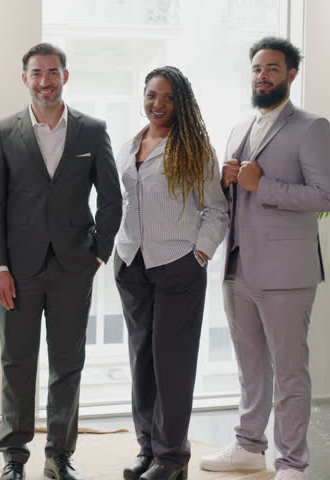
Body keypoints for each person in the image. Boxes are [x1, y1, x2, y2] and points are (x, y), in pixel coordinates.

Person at [199, 37, 330, 480]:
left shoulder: (313, 127)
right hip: (238, 268)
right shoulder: (240, 128)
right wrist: (225, 183)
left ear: (291, 74)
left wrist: (264, 185)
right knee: (250, 366)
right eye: (258, 68)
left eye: (273, 68)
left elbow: (324, 196)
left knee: (290, 372)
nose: (263, 75)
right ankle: (248, 447)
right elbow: (234, 199)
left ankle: (293, 462)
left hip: (286, 273)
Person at [0, 42, 122, 480]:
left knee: (68, 362)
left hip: (71, 268)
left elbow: (112, 199)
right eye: (37, 74)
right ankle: (14, 457)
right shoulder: (3, 131)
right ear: (25, 78)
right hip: (17, 271)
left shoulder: (92, 130)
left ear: (66, 76)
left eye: (53, 73)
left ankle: (58, 454)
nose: (45, 82)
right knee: (16, 363)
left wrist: (96, 255)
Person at [113, 66, 229, 480]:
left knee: (172, 364)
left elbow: (216, 208)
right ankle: (147, 449)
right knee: (141, 361)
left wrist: (199, 254)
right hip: (132, 265)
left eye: (166, 97)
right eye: (150, 95)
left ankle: (172, 457)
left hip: (177, 266)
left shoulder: (195, 149)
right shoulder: (130, 145)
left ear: (181, 102)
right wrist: (119, 254)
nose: (156, 104)